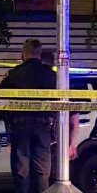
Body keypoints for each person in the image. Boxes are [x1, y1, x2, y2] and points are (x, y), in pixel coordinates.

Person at [0, 39, 56, 193]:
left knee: (21, 169)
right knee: (41, 170)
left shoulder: (14, 75)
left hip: (20, 127)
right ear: (39, 54)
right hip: (42, 127)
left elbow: (1, 100)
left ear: (23, 54)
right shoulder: (50, 75)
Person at [40, 50, 80, 185]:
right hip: (59, 142)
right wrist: (72, 145)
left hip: (47, 142)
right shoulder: (62, 83)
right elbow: (75, 120)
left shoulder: (40, 83)